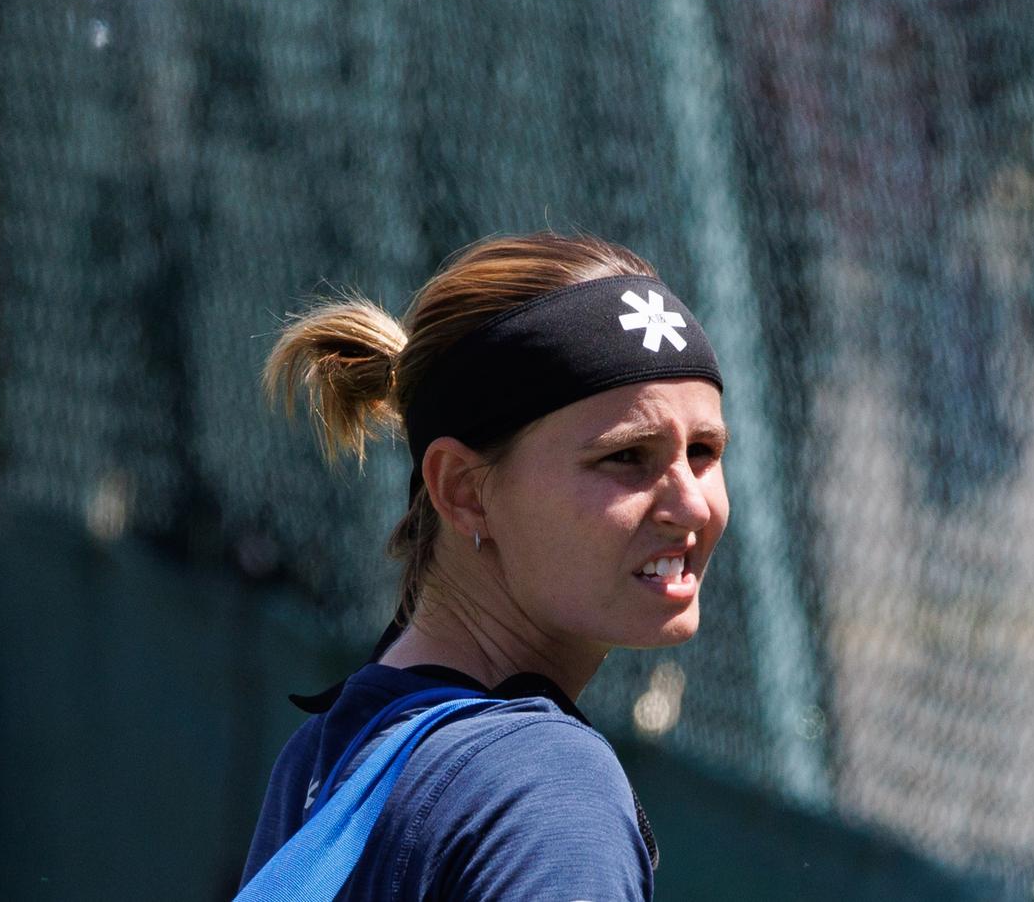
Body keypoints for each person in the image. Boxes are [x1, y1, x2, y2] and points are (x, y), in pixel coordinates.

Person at [238, 232, 730, 901]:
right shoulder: (547, 790)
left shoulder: (328, 752)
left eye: (703, 452)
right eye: (625, 457)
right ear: (465, 491)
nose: (692, 504)